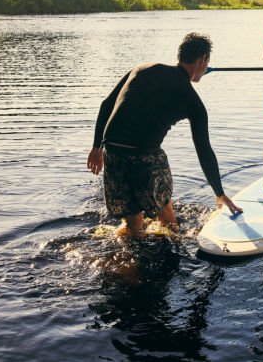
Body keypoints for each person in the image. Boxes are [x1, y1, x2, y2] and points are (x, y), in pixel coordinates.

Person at [87, 32, 243, 235]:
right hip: (145, 156)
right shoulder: (192, 101)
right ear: (203, 60)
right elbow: (204, 150)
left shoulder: (142, 69)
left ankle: (130, 258)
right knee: (165, 210)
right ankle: (176, 244)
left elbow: (106, 105)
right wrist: (220, 194)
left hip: (113, 152)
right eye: (206, 63)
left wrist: (97, 147)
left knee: (133, 221)